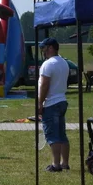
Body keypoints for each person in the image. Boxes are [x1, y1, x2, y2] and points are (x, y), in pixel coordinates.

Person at [37, 38, 70, 172]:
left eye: (44, 48)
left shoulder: (48, 64)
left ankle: (56, 164)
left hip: (52, 102)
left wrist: (40, 102)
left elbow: (45, 84)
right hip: (62, 100)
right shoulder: (64, 62)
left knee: (52, 134)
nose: (43, 51)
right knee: (62, 133)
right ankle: (65, 163)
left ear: (50, 48)